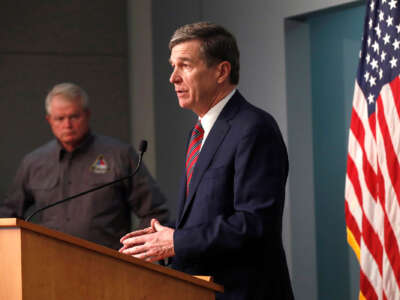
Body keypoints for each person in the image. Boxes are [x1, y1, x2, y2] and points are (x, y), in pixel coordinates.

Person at [119, 22, 294, 299]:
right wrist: (166, 236)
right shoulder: (198, 132)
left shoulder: (254, 127)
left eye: (185, 65)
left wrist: (176, 241)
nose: (173, 77)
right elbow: (209, 215)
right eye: (172, 66)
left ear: (221, 71)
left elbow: (255, 224)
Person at [0, 82, 169, 250]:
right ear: (49, 120)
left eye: (74, 116)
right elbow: (8, 216)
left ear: (87, 114)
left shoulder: (119, 155)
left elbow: (154, 211)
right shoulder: (34, 163)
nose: (67, 125)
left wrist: (135, 250)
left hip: (108, 264)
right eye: (60, 118)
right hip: (48, 264)